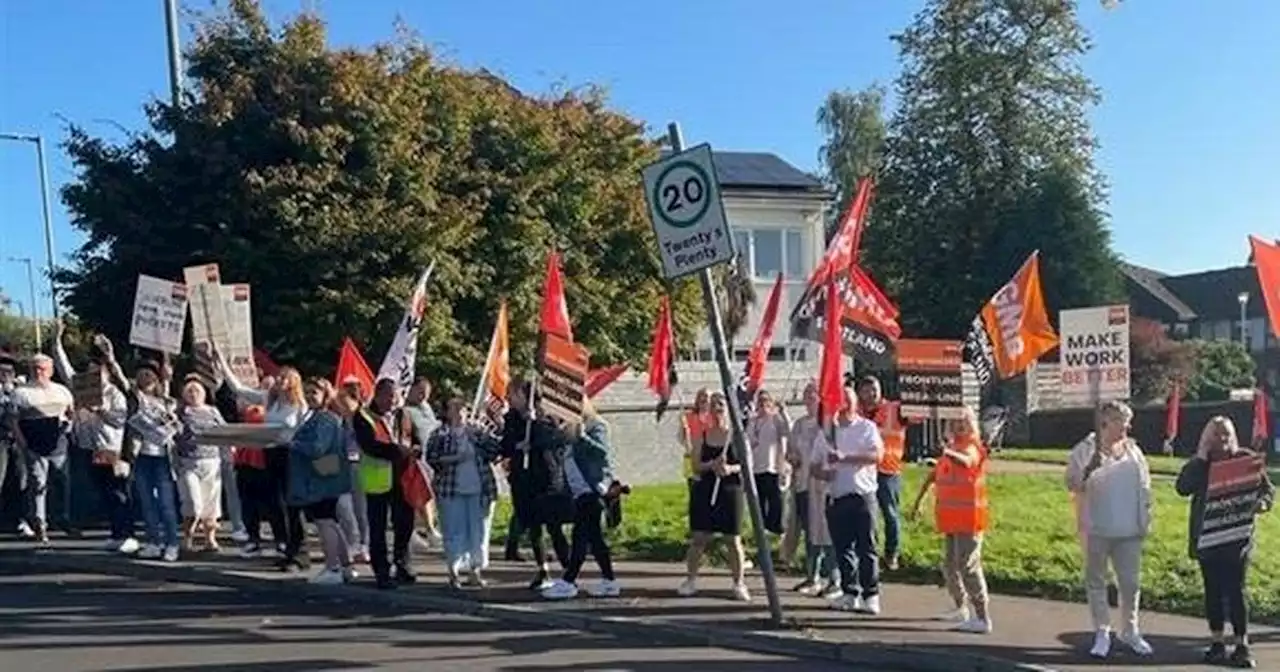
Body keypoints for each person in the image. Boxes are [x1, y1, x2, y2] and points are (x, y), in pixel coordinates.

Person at [1175, 416, 1275, 668]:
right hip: (1207, 538)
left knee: (1236, 590)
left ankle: (1241, 644)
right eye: (1215, 434)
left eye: (1226, 433)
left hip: (1236, 539)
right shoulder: (1200, 464)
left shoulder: (1245, 459)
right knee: (1213, 591)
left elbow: (1266, 490)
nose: (1221, 439)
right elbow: (1182, 487)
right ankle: (1217, 642)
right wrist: (1200, 456)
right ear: (1206, 437)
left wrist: (1262, 504)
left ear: (1234, 435)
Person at [1064, 400, 1154, 659]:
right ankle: (1102, 632)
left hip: (1129, 529)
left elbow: (1145, 487)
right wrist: (1087, 470)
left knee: (1130, 583)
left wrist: (1145, 519)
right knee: (1097, 582)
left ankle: (1130, 630)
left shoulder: (1134, 451)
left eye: (1128, 420)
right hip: (1097, 527)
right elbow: (1071, 483)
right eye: (1122, 420)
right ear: (1106, 422)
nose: (1127, 425)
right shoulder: (1085, 449)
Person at [216, 349, 309, 572]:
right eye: (278, 377)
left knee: (292, 504)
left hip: (290, 455)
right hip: (271, 453)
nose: (279, 381)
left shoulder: (299, 406)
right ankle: (285, 545)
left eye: (284, 378)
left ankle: (299, 550)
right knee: (274, 503)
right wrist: (220, 361)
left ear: (294, 382)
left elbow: (303, 432)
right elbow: (239, 389)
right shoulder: (270, 401)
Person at [908, 406, 991, 634]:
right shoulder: (952, 448)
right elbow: (934, 477)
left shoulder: (972, 446)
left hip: (969, 519)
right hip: (951, 520)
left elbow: (967, 462)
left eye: (963, 421)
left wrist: (947, 453)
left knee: (968, 566)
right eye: (955, 421)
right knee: (950, 566)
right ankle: (960, 607)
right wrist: (919, 502)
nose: (958, 425)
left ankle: (983, 617)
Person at [51, 332, 136, 554]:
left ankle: (127, 534)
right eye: (89, 371)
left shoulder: (114, 393)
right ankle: (116, 534)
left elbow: (120, 419)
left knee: (118, 491)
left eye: (97, 371)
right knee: (104, 492)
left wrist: (102, 411)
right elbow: (64, 369)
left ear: (106, 373)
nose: (93, 374)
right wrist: (57, 343)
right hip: (90, 448)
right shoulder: (81, 388)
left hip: (110, 448)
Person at [813, 385, 883, 615]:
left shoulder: (866, 428)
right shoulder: (827, 432)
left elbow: (876, 456)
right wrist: (824, 473)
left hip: (862, 495)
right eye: (840, 399)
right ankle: (850, 592)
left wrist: (846, 458)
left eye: (848, 399)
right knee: (843, 548)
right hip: (836, 496)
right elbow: (814, 465)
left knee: (867, 547)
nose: (844, 403)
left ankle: (871, 594)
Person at [541, 400, 621, 600]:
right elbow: (551, 443)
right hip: (578, 492)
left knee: (580, 537)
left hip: (592, 489)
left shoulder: (596, 426)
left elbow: (601, 452)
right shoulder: (567, 430)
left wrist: (581, 436)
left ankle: (569, 581)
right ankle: (609, 580)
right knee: (595, 540)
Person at [500, 378, 572, 589]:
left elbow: (554, 439)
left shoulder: (546, 416)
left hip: (545, 478)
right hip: (523, 479)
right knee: (533, 526)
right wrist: (516, 445)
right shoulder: (511, 418)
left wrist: (536, 426)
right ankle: (543, 569)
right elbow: (505, 446)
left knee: (554, 525)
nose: (510, 398)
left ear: (525, 395)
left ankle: (569, 570)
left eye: (513, 394)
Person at [677, 392, 750, 602]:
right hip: (706, 488)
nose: (718, 408)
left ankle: (738, 583)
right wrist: (712, 465)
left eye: (721, 404)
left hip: (730, 489)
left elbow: (747, 465)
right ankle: (690, 580)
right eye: (713, 405)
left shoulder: (737, 436)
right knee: (699, 538)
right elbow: (696, 466)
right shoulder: (702, 436)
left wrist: (730, 468)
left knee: (732, 539)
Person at [426, 397, 503, 588]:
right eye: (455, 408)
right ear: (448, 412)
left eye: (463, 408)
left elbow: (495, 452)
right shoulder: (440, 434)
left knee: (479, 531)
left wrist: (478, 440)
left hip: (479, 488)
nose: (460, 411)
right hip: (451, 489)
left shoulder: (477, 431)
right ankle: (453, 571)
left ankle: (475, 570)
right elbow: (432, 458)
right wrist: (454, 459)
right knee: (453, 530)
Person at [352, 377, 418, 589]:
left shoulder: (404, 414)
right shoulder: (363, 416)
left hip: (403, 476)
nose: (393, 400)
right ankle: (381, 571)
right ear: (378, 395)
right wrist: (400, 451)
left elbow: (414, 437)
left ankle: (402, 563)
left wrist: (416, 448)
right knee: (378, 526)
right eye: (389, 396)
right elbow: (370, 445)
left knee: (405, 523)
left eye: (396, 396)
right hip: (378, 478)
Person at [289, 378, 356, 585]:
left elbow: (318, 448)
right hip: (326, 478)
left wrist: (293, 443)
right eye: (307, 392)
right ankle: (345, 567)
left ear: (326, 395)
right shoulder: (322, 417)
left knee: (324, 522)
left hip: (322, 479)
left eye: (314, 392)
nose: (310, 396)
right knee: (332, 522)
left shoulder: (325, 419)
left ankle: (332, 567)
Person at [9, 350, 74, 545]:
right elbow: (13, 421)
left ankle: (63, 518)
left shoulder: (62, 391)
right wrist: (23, 444)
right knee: (38, 484)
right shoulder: (20, 393)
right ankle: (40, 523)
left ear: (51, 371)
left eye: (43, 369)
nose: (39, 372)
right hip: (34, 445)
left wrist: (68, 425)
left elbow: (71, 412)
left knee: (63, 482)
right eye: (35, 368)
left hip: (59, 444)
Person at [854, 376, 907, 571]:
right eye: (867, 390)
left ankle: (892, 553)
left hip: (887, 470)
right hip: (863, 471)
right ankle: (870, 552)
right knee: (868, 515)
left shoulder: (894, 409)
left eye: (875, 389)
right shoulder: (856, 412)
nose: (871, 394)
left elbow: (918, 412)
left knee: (890, 513)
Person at [789, 382, 836, 597]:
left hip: (822, 485)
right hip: (802, 482)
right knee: (810, 532)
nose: (809, 397)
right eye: (806, 394)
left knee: (826, 532)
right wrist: (792, 458)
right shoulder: (799, 424)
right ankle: (812, 575)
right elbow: (790, 449)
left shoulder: (826, 424)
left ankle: (833, 577)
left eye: (813, 394)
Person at [174, 380, 226, 552]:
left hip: (212, 461)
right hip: (189, 462)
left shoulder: (213, 411)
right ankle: (187, 536)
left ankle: (209, 539)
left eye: (197, 390)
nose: (193, 394)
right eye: (189, 391)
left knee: (211, 504)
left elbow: (224, 430)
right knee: (193, 502)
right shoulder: (180, 412)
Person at [232, 403, 285, 558]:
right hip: (245, 463)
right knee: (249, 506)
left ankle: (281, 539)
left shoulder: (274, 411)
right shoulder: (249, 410)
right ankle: (253, 540)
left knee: (274, 505)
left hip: (266, 464)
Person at [403, 377, 443, 550]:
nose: (423, 396)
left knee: (430, 496)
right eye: (419, 391)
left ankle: (426, 529)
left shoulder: (426, 408)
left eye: (426, 393)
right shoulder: (405, 410)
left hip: (431, 458)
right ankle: (426, 530)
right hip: (415, 459)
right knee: (420, 495)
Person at [331, 389, 370, 565]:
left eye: (345, 401)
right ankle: (353, 541)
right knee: (344, 507)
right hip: (344, 468)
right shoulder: (340, 423)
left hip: (363, 467)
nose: (341, 405)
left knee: (362, 509)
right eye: (339, 402)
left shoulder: (363, 421)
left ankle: (364, 545)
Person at [0, 349, 34, 539]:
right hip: (1, 439)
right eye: (2, 370)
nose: (6, 375)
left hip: (18, 441)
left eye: (9, 371)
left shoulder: (19, 391)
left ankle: (19, 519)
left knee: (20, 480)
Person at [747, 389, 789, 536]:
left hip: (773, 466)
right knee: (759, 499)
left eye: (766, 401)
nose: (763, 404)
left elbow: (787, 431)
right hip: (756, 466)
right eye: (760, 401)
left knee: (775, 500)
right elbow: (747, 441)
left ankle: (776, 528)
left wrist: (783, 412)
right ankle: (761, 528)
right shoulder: (752, 421)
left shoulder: (775, 419)